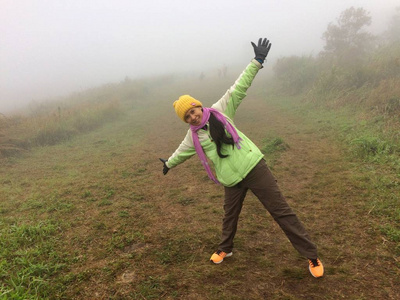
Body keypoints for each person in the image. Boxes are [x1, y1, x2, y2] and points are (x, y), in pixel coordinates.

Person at [159, 38, 324, 278]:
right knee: (229, 215)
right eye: (187, 117)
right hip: (230, 179)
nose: (193, 117)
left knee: (281, 211)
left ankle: (311, 256)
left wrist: (257, 61)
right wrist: (169, 164)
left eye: (193, 111)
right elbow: (180, 152)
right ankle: (225, 249)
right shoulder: (192, 137)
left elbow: (239, 86)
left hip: (254, 167)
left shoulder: (220, 110)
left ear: (199, 106)